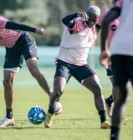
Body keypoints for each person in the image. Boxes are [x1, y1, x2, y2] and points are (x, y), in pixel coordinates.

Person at [44, 5, 110, 129]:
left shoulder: (95, 28)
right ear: (86, 16)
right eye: (91, 19)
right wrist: (76, 14)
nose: (93, 22)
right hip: (65, 63)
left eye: (96, 20)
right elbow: (65, 21)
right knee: (58, 92)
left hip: (81, 65)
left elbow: (108, 22)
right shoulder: (77, 23)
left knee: (97, 89)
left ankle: (103, 121)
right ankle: (50, 112)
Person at [100, 0, 133, 139]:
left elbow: (106, 20)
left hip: (118, 49)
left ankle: (114, 137)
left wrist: (104, 50)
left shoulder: (124, 2)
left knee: (121, 97)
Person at [96, 0, 120, 117]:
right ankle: (116, 110)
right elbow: (95, 31)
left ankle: (109, 101)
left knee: (122, 85)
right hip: (110, 56)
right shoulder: (106, 16)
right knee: (117, 83)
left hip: (126, 55)